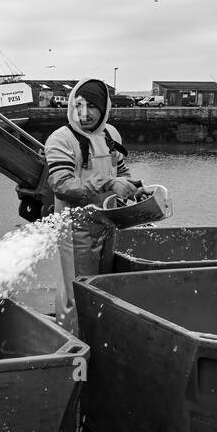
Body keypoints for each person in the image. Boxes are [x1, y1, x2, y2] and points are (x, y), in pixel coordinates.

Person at [44, 77, 143, 333]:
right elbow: (62, 185)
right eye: (78, 105)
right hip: (75, 231)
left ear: (104, 108)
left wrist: (135, 189)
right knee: (76, 293)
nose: (84, 114)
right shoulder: (61, 139)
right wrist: (109, 184)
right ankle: (74, 346)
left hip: (108, 225)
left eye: (91, 106)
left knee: (101, 288)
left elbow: (121, 169)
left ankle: (99, 340)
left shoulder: (110, 134)